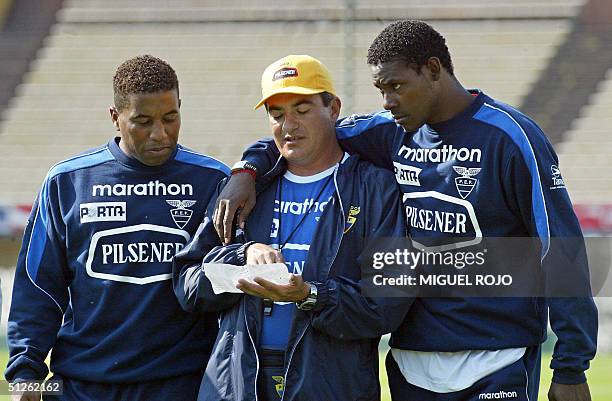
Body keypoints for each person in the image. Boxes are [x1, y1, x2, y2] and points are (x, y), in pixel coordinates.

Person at [213, 21, 598, 401]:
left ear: (433, 70)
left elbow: (560, 250)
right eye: (380, 89)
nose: (387, 101)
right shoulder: (389, 131)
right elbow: (299, 134)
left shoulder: (513, 137)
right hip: (411, 361)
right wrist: (245, 170)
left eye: (396, 86)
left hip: (498, 359)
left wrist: (571, 365)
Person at [172, 54, 412, 401]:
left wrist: (309, 295)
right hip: (236, 385)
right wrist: (243, 256)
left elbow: (386, 305)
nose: (288, 125)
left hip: (331, 386)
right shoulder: (245, 187)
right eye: (277, 114)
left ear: (333, 109)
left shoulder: (376, 188)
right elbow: (187, 283)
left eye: (302, 110)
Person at [5, 55, 229, 401]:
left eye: (171, 118)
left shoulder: (212, 181)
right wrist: (25, 371)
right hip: (81, 385)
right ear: (115, 117)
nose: (160, 133)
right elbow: (38, 286)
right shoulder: (68, 182)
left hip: (181, 383)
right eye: (143, 121)